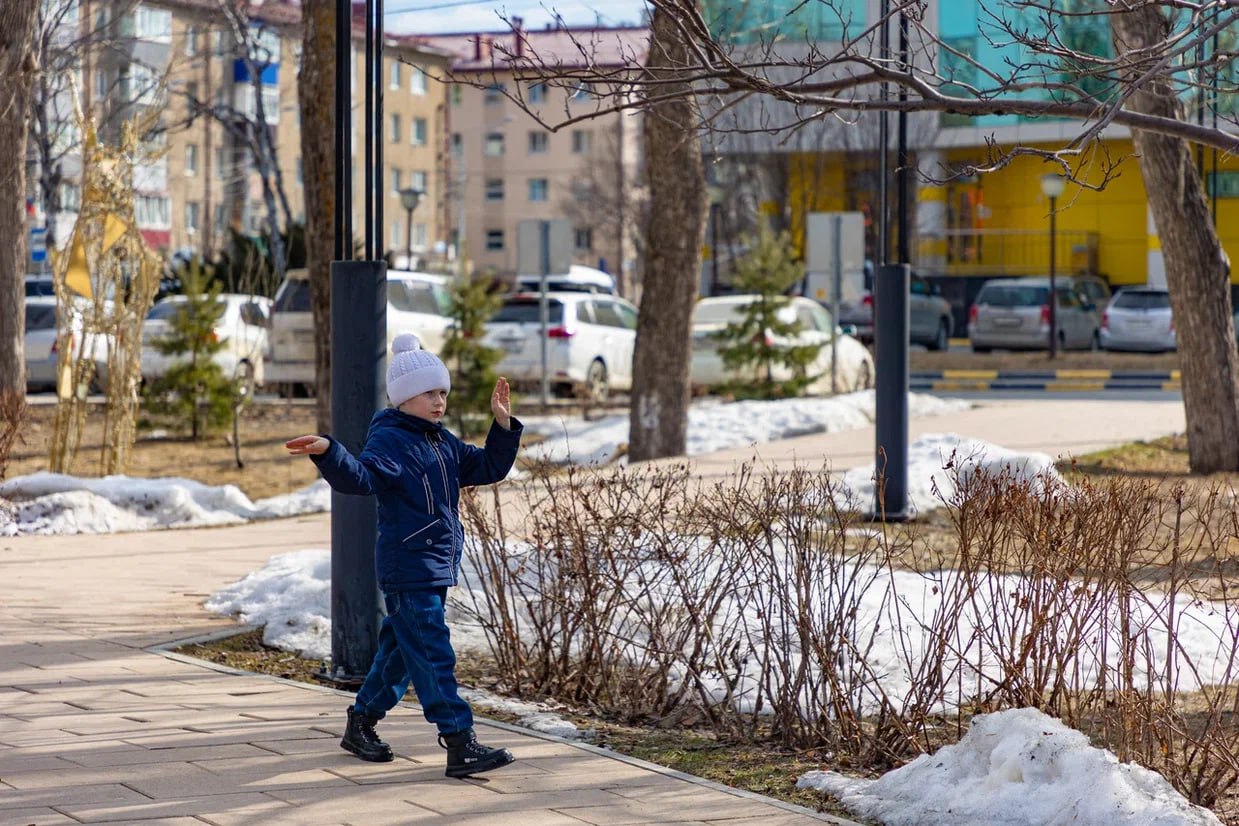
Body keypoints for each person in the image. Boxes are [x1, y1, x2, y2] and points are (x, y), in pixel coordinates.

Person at [285, 333, 522, 778]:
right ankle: (459, 741)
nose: (439, 401)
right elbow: (362, 477)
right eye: (430, 393)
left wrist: (503, 426)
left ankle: (361, 724)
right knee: (432, 653)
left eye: (443, 393)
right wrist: (330, 452)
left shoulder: (442, 442)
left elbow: (488, 467)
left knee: (399, 653)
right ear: (405, 397)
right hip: (409, 566)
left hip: (433, 565)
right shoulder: (391, 441)